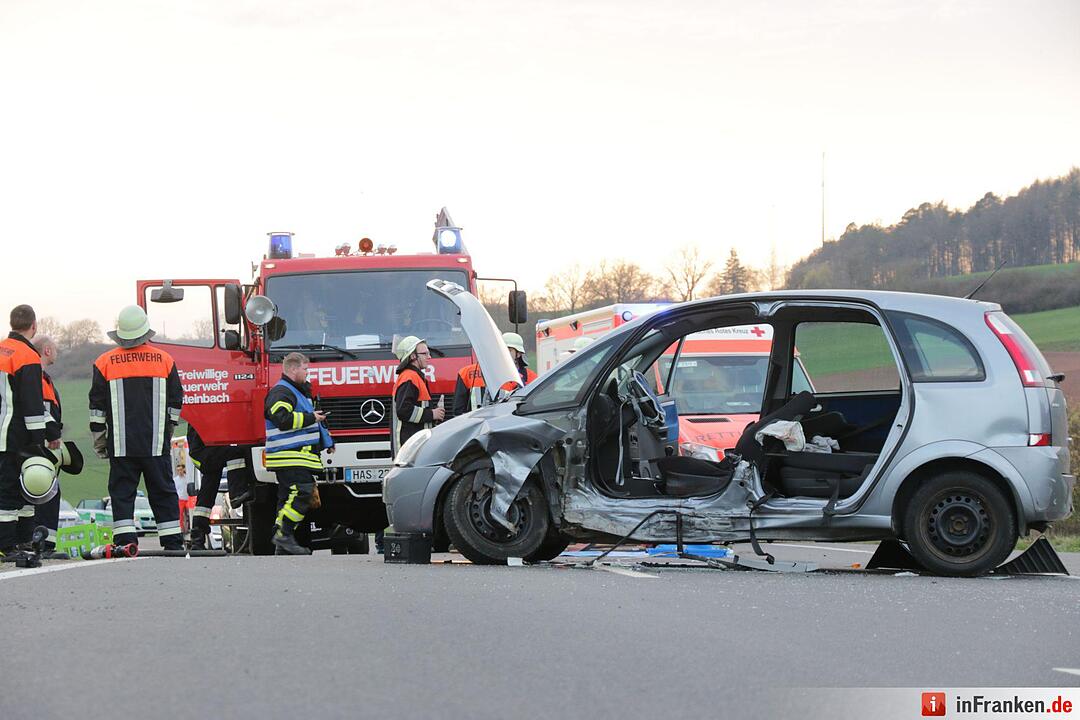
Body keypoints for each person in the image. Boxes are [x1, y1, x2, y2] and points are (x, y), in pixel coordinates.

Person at [89, 305, 185, 551]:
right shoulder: (164, 360)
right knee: (163, 492)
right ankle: (172, 541)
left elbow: (97, 409)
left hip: (121, 445)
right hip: (155, 443)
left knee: (122, 493)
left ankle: (125, 543)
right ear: (146, 332)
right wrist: (168, 429)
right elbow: (175, 402)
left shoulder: (104, 363)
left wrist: (100, 441)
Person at [263, 352, 334, 555]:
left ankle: (282, 543)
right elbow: (281, 419)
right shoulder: (282, 392)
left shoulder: (297, 392)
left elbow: (307, 421)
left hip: (296, 456)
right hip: (289, 456)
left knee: (286, 500)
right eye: (305, 370)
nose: (307, 374)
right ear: (293, 369)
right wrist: (311, 418)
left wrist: (326, 441)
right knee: (302, 492)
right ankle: (283, 534)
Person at [0, 305, 53, 557]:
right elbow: (33, 405)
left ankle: (17, 541)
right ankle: (10, 545)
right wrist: (38, 442)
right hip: (14, 437)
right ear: (34, 326)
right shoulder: (27, 356)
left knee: (11, 494)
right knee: (16, 494)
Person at [32, 334, 70, 559]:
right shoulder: (38, 378)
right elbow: (43, 410)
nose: (56, 351)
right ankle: (43, 544)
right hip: (41, 447)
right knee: (45, 492)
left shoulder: (42, 378)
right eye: (54, 348)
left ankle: (44, 543)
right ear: (46, 350)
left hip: (40, 447)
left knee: (47, 492)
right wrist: (52, 434)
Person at [186, 424, 253, 551]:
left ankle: (197, 537)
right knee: (236, 453)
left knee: (207, 491)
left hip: (204, 450)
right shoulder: (207, 409)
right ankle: (236, 493)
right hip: (204, 450)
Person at [452, 332, 538, 416]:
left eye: (509, 350)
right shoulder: (466, 373)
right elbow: (458, 411)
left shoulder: (531, 378)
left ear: (518, 354)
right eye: (501, 349)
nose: (503, 353)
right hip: (475, 426)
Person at [392, 336, 444, 450]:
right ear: (413, 356)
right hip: (410, 448)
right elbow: (403, 410)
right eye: (425, 354)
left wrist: (434, 415)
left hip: (415, 445)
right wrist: (432, 414)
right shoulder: (409, 377)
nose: (429, 357)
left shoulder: (414, 377)